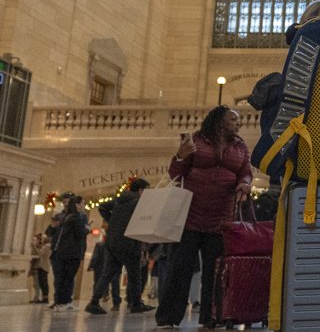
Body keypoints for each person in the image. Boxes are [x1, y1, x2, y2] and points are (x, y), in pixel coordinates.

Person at [155, 106, 252, 329]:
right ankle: (168, 318)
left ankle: (211, 317)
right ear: (219, 121)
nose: (239, 123)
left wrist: (244, 184)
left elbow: (246, 171)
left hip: (221, 219)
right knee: (180, 269)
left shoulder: (241, 146)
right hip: (190, 216)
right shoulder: (196, 141)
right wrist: (180, 155)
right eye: (233, 119)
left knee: (216, 273)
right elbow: (175, 173)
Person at [86, 178, 154, 315]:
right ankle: (135, 303)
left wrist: (113, 222)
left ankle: (93, 302)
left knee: (107, 273)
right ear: (140, 190)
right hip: (129, 242)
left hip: (112, 241)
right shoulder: (138, 203)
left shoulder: (119, 199)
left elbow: (102, 207)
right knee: (135, 274)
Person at [47, 194, 89, 310]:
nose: (84, 206)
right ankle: (63, 302)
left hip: (61, 251)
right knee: (67, 277)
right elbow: (80, 233)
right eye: (82, 203)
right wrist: (87, 230)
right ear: (77, 205)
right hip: (71, 252)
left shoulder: (66, 217)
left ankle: (60, 302)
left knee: (62, 278)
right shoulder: (76, 218)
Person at [31, 232, 50, 303]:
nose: (41, 240)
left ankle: (45, 298)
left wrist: (34, 246)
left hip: (43, 266)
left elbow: (40, 254)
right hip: (41, 266)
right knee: (41, 282)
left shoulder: (47, 246)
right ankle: (44, 297)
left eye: (42, 238)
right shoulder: (45, 246)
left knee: (43, 282)